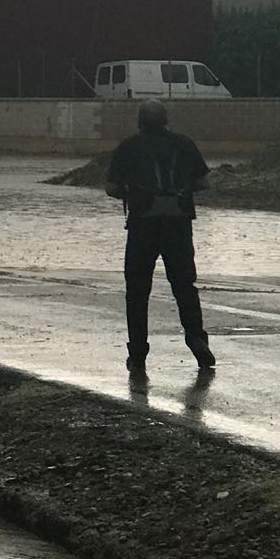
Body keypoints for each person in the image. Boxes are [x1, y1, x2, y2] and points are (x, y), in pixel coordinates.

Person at [105, 99, 215, 375]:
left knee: (137, 291)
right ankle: (197, 340)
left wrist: (132, 193)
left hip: (143, 225)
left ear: (140, 121)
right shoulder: (184, 144)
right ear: (167, 119)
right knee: (184, 286)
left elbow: (111, 188)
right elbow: (204, 182)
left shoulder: (128, 147)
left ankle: (138, 353)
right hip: (178, 225)